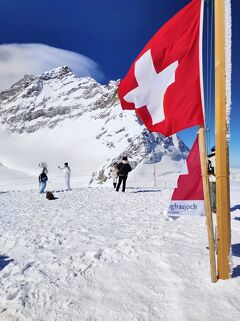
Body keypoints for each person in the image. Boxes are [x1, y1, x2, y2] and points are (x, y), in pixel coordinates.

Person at [207, 146, 216, 213]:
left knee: (213, 194)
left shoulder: (208, 157)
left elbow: (207, 168)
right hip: (221, 179)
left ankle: (213, 207)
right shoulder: (220, 157)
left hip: (211, 179)